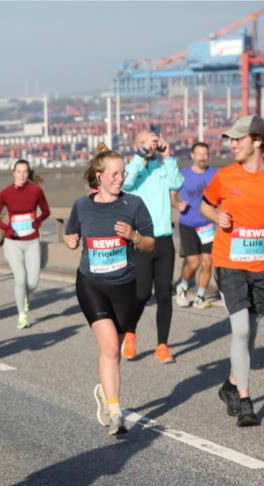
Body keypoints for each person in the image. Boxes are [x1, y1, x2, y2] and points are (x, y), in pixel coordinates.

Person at [200, 116, 264, 428]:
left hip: (261, 264)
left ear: (257, 140)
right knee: (241, 329)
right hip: (228, 261)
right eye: (230, 140)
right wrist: (217, 216)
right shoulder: (225, 176)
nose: (232, 145)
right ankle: (245, 401)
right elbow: (205, 205)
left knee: (252, 330)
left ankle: (231, 384)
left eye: (238, 139)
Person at [64, 146, 155, 435]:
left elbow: (150, 243)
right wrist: (70, 241)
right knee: (111, 348)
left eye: (123, 173)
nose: (120, 178)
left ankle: (105, 392)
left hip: (125, 285)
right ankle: (116, 413)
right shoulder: (82, 205)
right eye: (114, 174)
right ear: (99, 176)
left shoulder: (133, 204)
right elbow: (70, 233)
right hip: (91, 284)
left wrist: (134, 236)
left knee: (115, 349)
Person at [121, 128, 183, 364]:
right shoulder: (133, 169)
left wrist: (168, 155)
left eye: (152, 141)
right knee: (142, 293)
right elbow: (126, 185)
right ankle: (130, 332)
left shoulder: (161, 167)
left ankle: (162, 345)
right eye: (144, 141)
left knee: (165, 293)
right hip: (141, 240)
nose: (150, 145)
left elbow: (177, 182)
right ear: (135, 145)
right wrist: (140, 155)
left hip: (164, 240)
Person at [0, 159, 51, 329]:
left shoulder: (36, 191)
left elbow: (46, 211)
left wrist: (37, 221)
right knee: (20, 278)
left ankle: (25, 295)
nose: (22, 175)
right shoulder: (6, 193)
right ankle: (22, 315)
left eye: (25, 172)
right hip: (13, 242)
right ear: (14, 173)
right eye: (19, 171)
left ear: (28, 173)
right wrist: (6, 228)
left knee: (33, 282)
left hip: (32, 241)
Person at [172, 142, 218, 309]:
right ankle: (183, 287)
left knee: (207, 262)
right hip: (188, 224)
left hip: (207, 225)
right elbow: (172, 196)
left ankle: (200, 296)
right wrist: (177, 205)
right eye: (199, 154)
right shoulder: (183, 175)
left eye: (205, 154)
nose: (202, 157)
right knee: (194, 263)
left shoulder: (215, 174)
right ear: (192, 156)